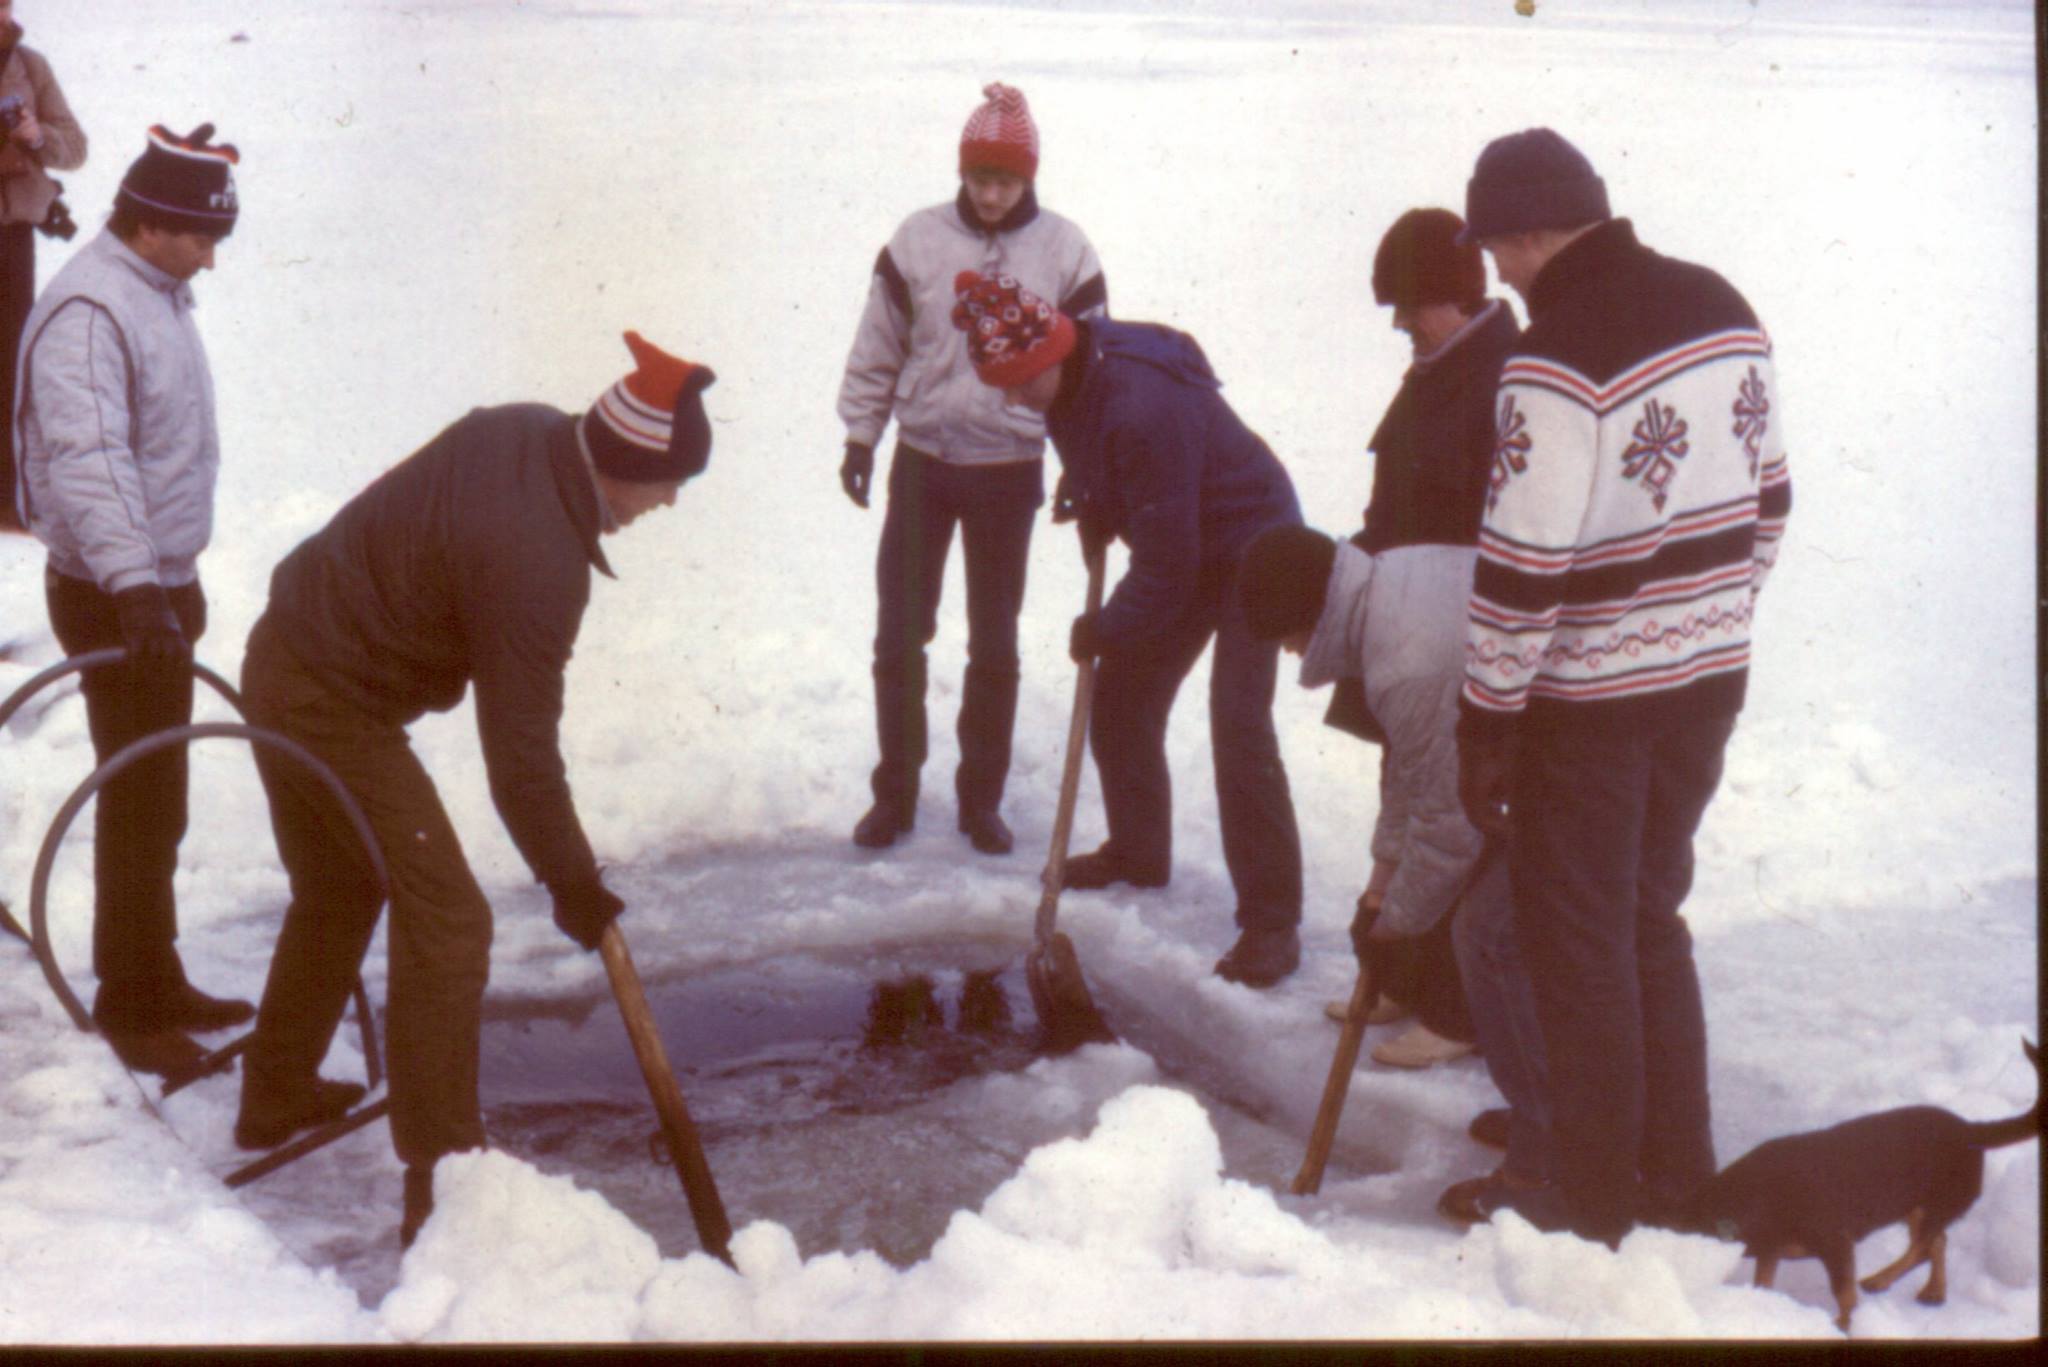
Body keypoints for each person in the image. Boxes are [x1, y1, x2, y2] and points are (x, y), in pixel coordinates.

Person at [230, 331, 716, 1249]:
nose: (670, 502)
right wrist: (572, 881)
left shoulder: (529, 429)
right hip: (327, 699)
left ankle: (276, 1091)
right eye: (667, 483)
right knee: (451, 918)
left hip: (287, 648)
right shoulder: (542, 559)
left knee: (341, 885)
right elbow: (520, 759)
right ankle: (444, 1179)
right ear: (625, 464)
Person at [1455, 128, 1793, 1245]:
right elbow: (1771, 501)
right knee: (1649, 918)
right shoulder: (1723, 305)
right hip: (1706, 686)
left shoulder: (1550, 359)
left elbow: (1522, 565)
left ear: (1529, 233)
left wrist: (1485, 721)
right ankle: (1677, 1176)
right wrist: (1705, 624)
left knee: (1580, 946)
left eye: (1497, 250)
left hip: (1589, 709)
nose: (1498, 274)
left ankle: (1590, 1201)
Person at [952, 270, 1305, 988]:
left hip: (1253, 541)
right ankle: (1140, 852)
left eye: (1018, 384)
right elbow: (1100, 450)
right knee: (1121, 700)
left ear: (1051, 353)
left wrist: (1104, 627)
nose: (1014, 400)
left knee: (1238, 721)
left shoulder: (1143, 406)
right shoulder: (1074, 370)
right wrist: (1091, 494)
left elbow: (1166, 571)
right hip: (1185, 531)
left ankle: (1273, 923)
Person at [1237, 523, 1555, 1225]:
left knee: (1489, 932)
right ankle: (1553, 1110)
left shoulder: (1404, 663)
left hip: (1577, 742)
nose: (1288, 653)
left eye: (1286, 636)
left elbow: (1449, 822)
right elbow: (1414, 777)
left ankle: (1552, 1141)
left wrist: (1397, 927)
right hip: (1548, 730)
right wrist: (1381, 889)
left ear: (1311, 614)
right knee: (1497, 925)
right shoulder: (1389, 582)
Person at [12, 123, 244, 1076]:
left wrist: (167, 583)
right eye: (201, 237)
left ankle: (156, 973)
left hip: (155, 585)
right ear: (149, 225)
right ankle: (133, 1006)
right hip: (116, 595)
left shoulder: (151, 291)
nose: (211, 257)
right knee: (140, 801)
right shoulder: (91, 313)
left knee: (158, 799)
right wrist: (139, 591)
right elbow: (91, 462)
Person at [837, 82, 1107, 857]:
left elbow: (1091, 371)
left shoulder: (1065, 250)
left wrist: (1081, 462)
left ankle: (980, 800)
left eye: (1007, 181)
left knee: (994, 642)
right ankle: (894, 793)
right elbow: (878, 345)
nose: (991, 195)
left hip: (1007, 468)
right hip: (923, 463)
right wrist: (862, 436)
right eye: (981, 178)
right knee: (900, 632)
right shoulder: (917, 240)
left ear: (1029, 178)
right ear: (961, 171)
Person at [1336, 206, 1526, 1070]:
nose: (1401, 324)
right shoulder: (1440, 368)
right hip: (1408, 629)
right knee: (1410, 791)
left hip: (1462, 641)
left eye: (1410, 306)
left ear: (1457, 295)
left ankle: (1459, 1008)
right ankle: (1406, 975)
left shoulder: (1502, 378)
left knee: (1458, 815)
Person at [0, 0, 86, 532]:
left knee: (11, 365)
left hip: (14, 237)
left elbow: (75, 148)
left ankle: (8, 497)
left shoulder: (31, 67)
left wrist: (36, 137)